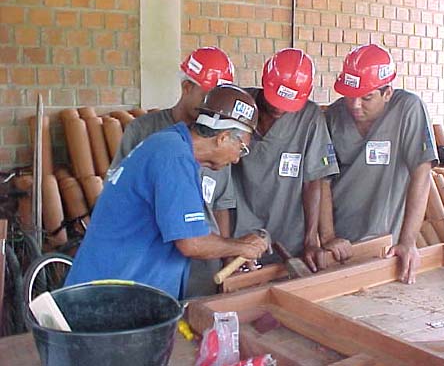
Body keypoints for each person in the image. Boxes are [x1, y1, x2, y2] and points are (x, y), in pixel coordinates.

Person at [64, 84, 269, 299]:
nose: (237, 159)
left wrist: (235, 247)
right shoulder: (173, 157)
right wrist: (240, 246)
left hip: (123, 291)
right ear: (224, 137)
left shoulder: (170, 144)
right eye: (242, 148)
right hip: (111, 295)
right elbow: (191, 243)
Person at [107, 47, 236, 297]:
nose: (213, 107)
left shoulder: (219, 140)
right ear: (187, 88)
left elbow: (221, 204)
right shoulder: (144, 132)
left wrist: (224, 255)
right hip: (150, 266)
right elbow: (117, 195)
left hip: (201, 270)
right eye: (207, 97)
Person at [320, 44, 438, 284]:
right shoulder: (332, 116)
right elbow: (321, 180)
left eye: (367, 97)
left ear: (387, 93)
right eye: (350, 96)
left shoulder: (407, 110)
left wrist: (408, 241)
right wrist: (328, 235)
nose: (354, 105)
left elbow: (421, 173)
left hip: (386, 242)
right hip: (340, 243)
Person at [231, 48, 339, 272]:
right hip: (239, 232)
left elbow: (314, 181)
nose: (279, 108)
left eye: (288, 104)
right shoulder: (238, 106)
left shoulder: (309, 118)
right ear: (264, 81)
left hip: (288, 235)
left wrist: (311, 240)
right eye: (274, 100)